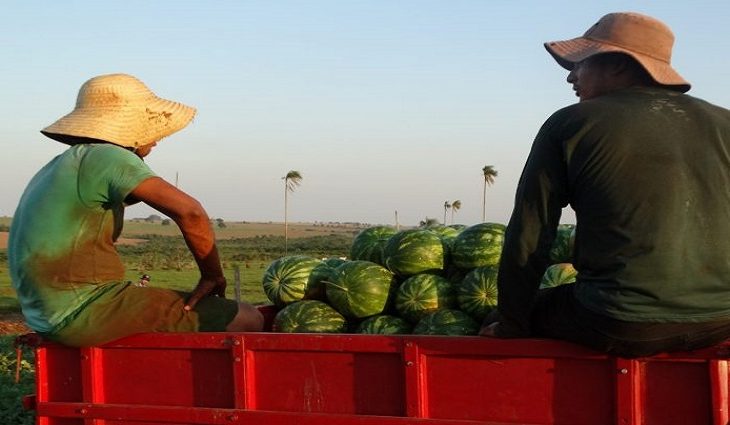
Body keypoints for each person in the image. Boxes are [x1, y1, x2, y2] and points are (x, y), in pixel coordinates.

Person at [480, 12, 730, 357]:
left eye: (581, 63)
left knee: (500, 314)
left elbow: (531, 235)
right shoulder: (725, 122)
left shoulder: (570, 123)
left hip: (618, 321)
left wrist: (511, 324)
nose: (571, 76)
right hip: (721, 320)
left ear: (617, 65)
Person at [8, 73, 264, 347]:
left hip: (47, 313)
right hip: (84, 309)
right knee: (247, 318)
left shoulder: (62, 165)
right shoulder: (108, 157)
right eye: (150, 129)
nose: (156, 139)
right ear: (127, 127)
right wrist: (212, 276)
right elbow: (191, 213)